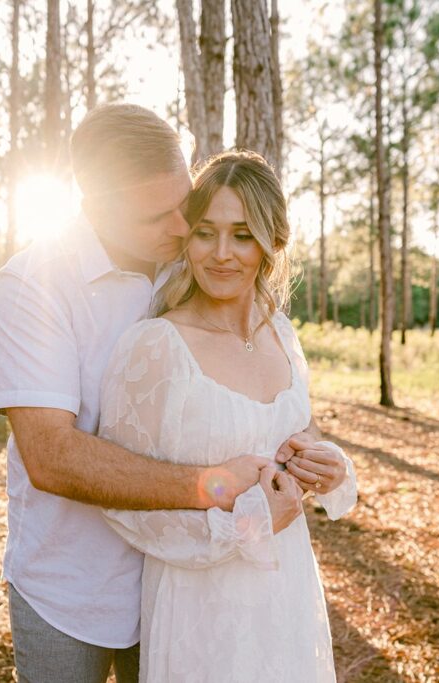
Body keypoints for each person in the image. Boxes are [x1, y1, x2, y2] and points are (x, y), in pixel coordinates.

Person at [0, 105, 350, 682]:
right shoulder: (36, 283)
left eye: (184, 203)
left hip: (184, 587)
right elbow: (50, 456)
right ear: (96, 207)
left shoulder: (193, 258)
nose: (185, 229)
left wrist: (302, 459)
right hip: (71, 586)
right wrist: (213, 488)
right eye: (159, 216)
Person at [98, 150, 358, 682]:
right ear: (185, 239)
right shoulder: (156, 346)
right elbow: (121, 501)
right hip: (200, 608)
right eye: (204, 232)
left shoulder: (279, 333)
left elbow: (297, 433)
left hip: (284, 596)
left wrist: (326, 465)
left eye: (242, 234)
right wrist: (243, 524)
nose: (221, 253)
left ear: (271, 243)